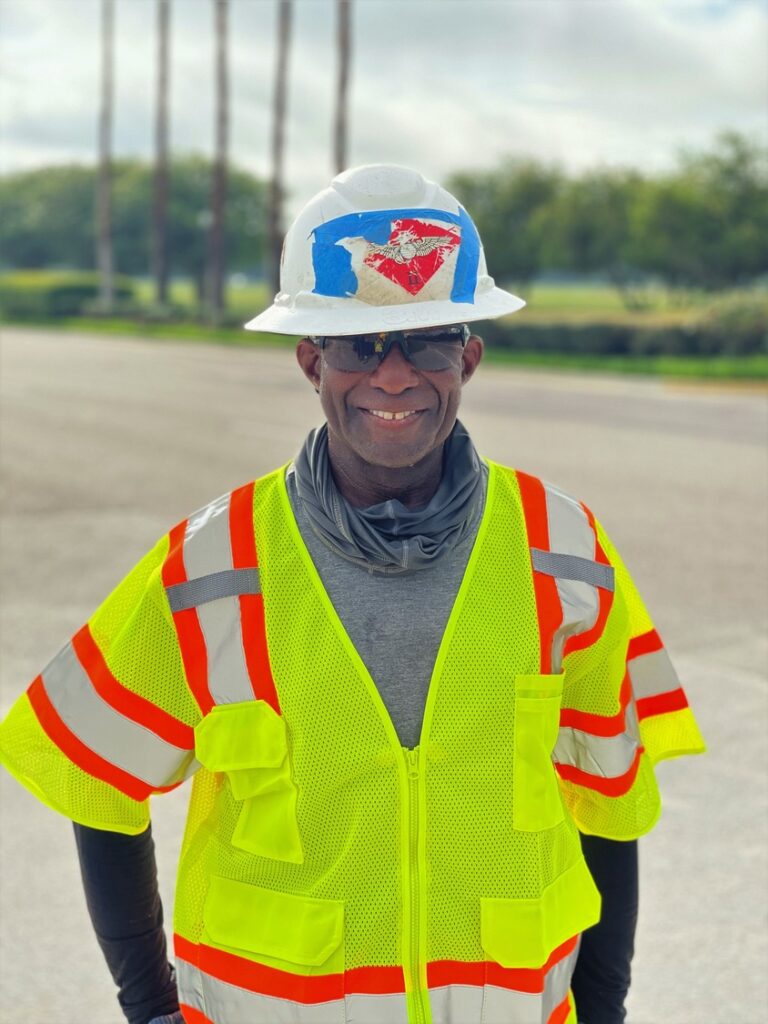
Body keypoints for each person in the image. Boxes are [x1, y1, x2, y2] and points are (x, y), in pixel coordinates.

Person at [0, 164, 705, 1024]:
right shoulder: (212, 564)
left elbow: (610, 802)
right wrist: (149, 1009)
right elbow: (96, 775)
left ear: (470, 357)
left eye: (429, 339)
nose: (396, 375)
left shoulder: (565, 553)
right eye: (359, 343)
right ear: (310, 359)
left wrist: (603, 1010)